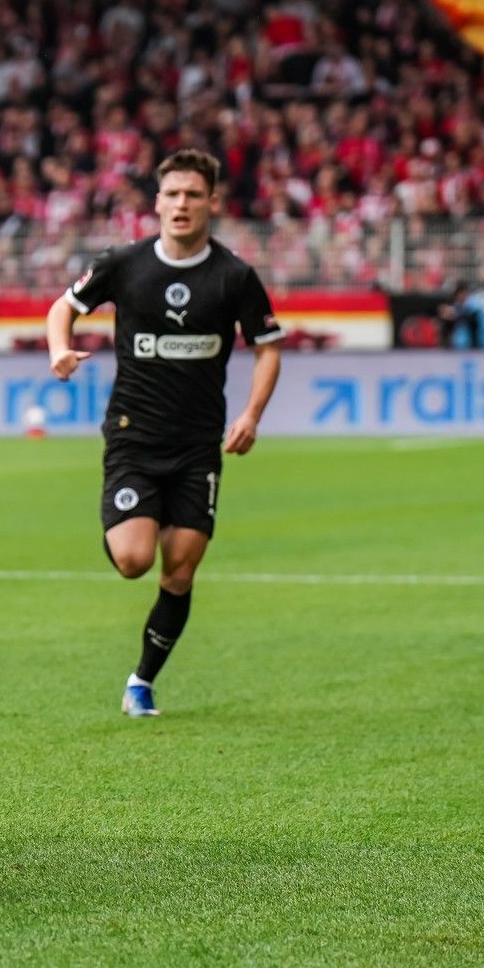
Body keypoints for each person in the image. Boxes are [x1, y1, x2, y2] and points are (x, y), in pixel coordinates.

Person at [45, 147, 284, 717]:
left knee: (179, 568)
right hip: (134, 436)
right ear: (157, 203)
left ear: (212, 203)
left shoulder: (233, 276)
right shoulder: (124, 264)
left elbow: (269, 348)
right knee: (133, 560)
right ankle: (127, 520)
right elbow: (64, 306)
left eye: (193, 195)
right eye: (172, 194)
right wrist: (59, 349)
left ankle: (141, 682)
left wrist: (251, 415)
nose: (182, 204)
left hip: (199, 444)